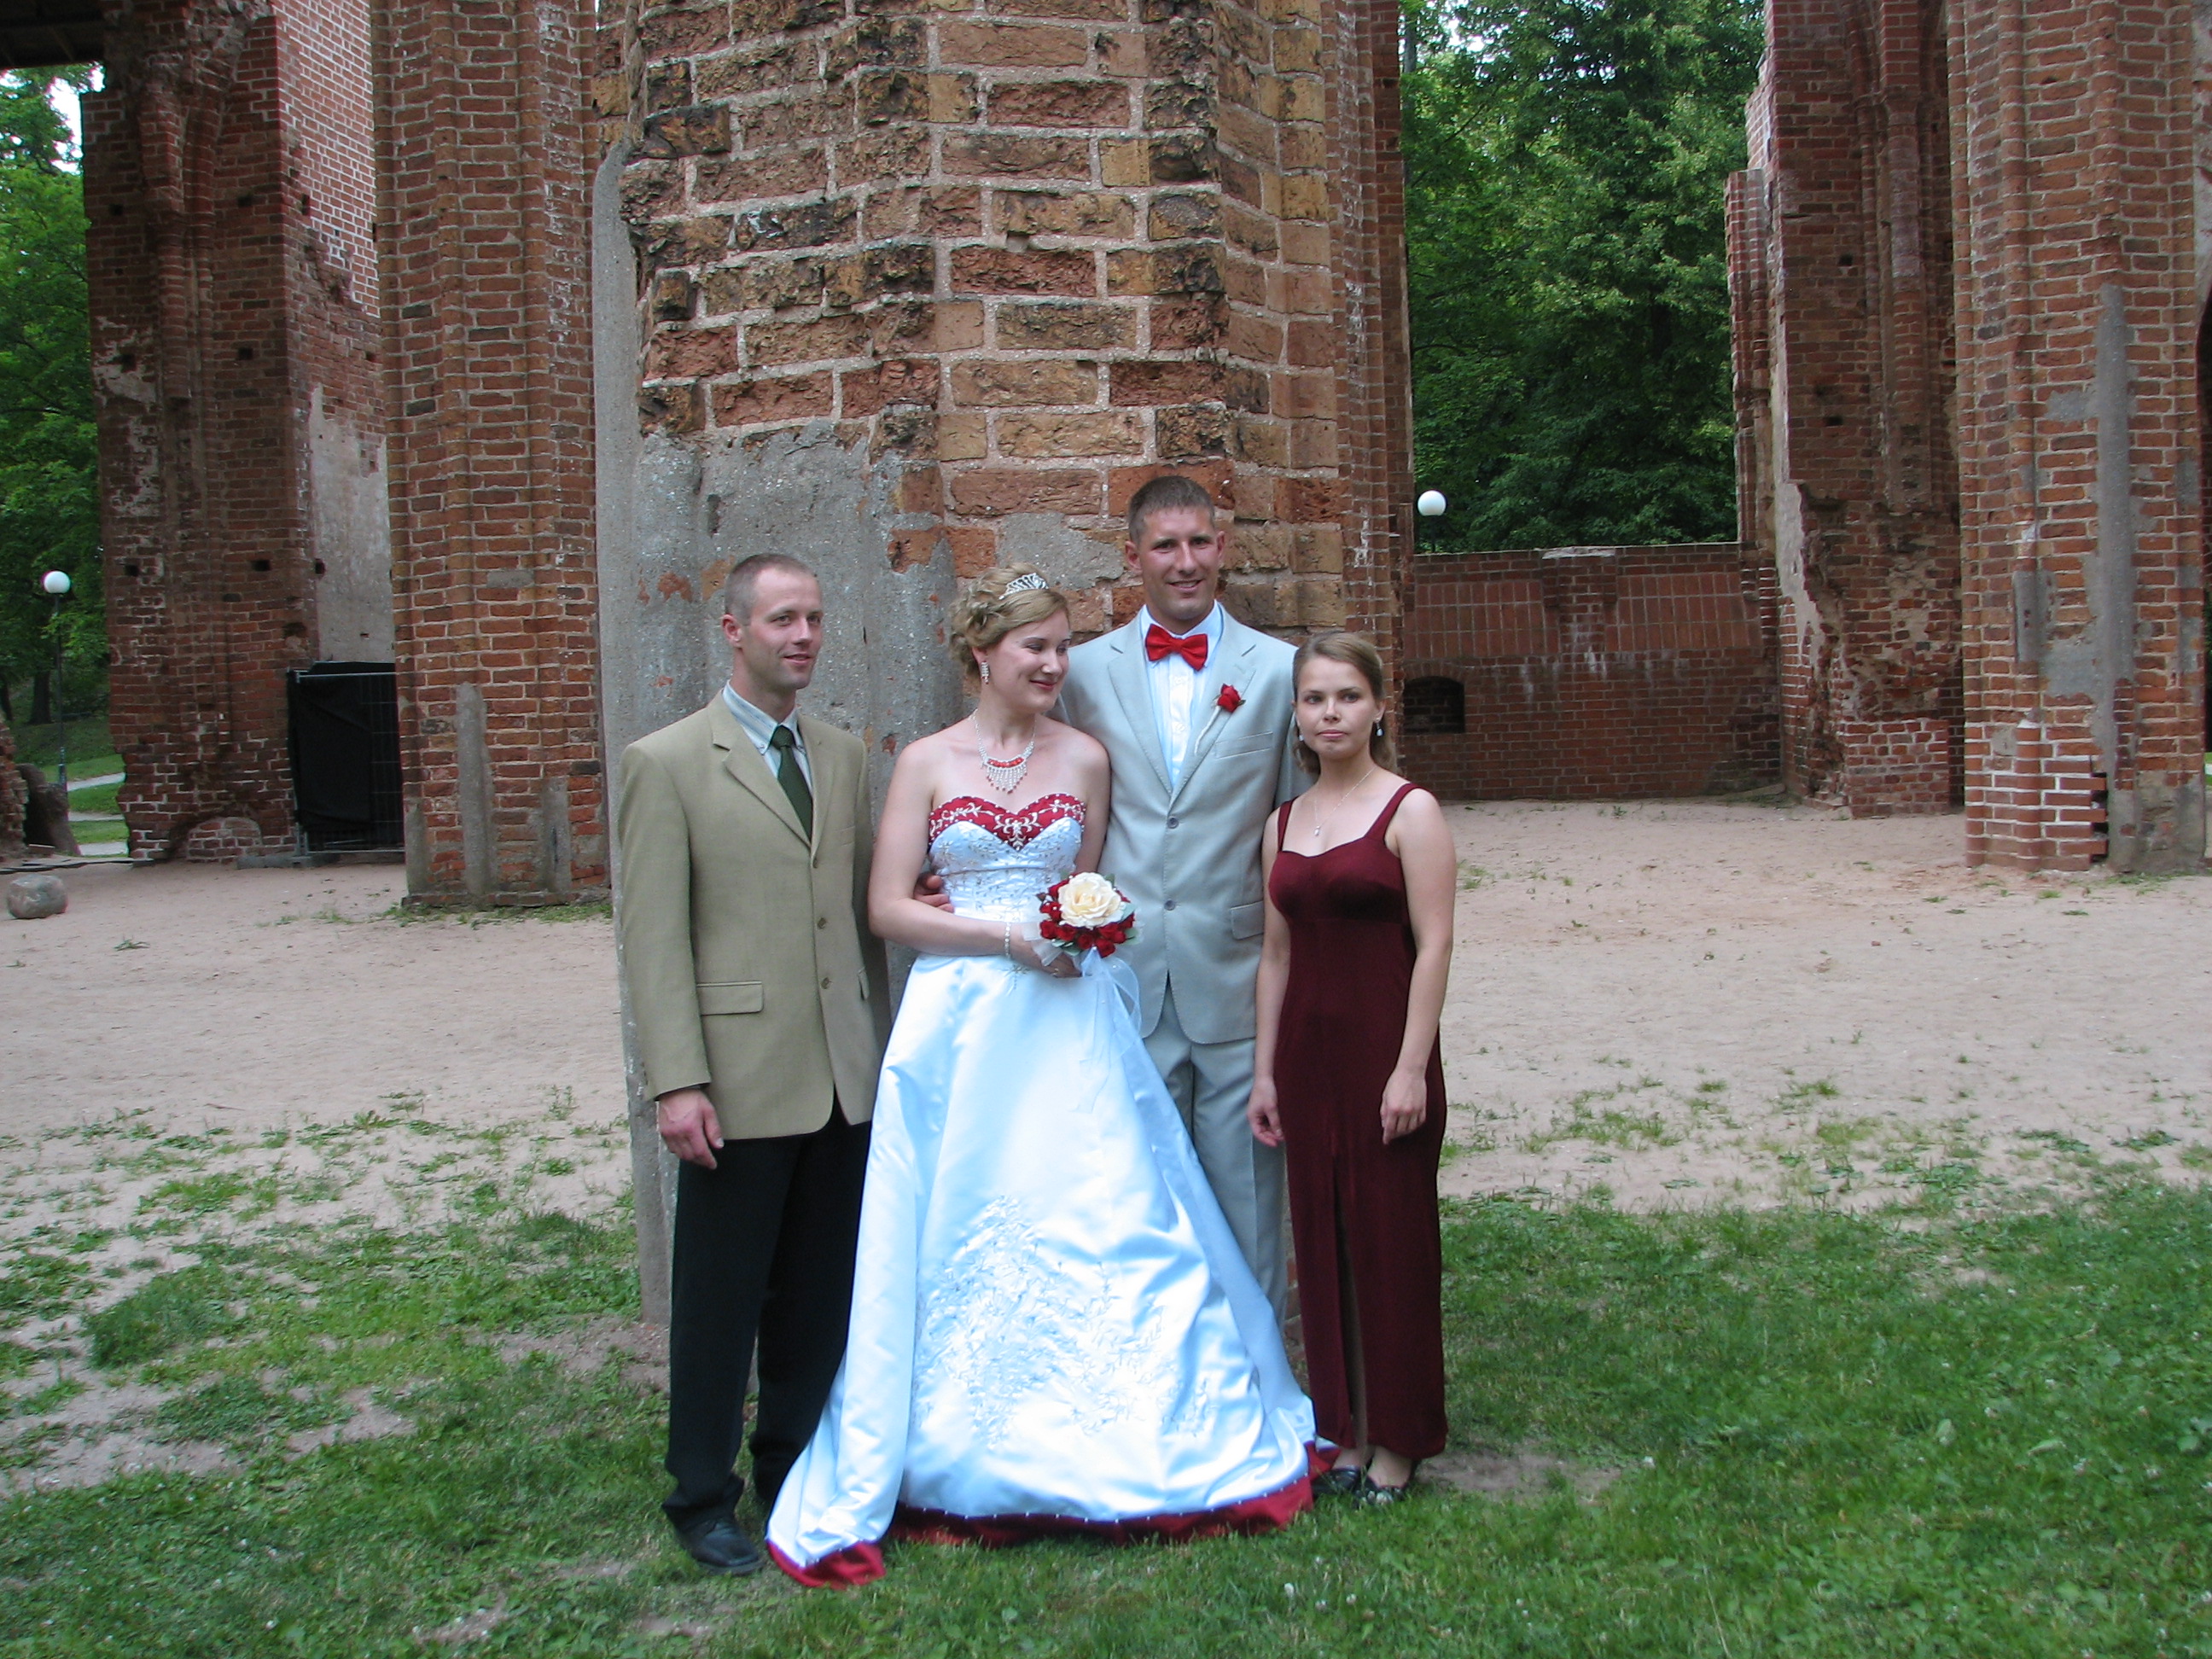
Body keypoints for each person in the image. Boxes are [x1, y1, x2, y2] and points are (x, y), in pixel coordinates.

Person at [767, 566, 1313, 1586]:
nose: (1056, 664)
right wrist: (1007, 937)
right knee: (963, 1209)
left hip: (1070, 1018)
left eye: (1063, 647)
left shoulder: (1087, 758)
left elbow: (1087, 888)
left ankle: (1135, 1424)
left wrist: (1078, 930)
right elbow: (888, 907)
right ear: (983, 654)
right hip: (962, 1023)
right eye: (1037, 648)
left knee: (1101, 1202)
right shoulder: (926, 763)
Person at [614, 553, 890, 1575]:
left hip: (842, 1077)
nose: (803, 635)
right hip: (734, 1078)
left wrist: (880, 1054)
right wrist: (676, 1080)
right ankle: (700, 1494)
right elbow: (653, 937)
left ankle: (794, 1471)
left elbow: (853, 919)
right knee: (720, 1301)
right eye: (781, 619)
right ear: (733, 630)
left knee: (818, 1297)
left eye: (813, 617)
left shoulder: (843, 755)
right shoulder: (668, 762)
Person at [1054, 474, 1307, 1315]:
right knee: (1140, 1202)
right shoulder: (1083, 674)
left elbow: (1298, 822)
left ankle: (1260, 1372)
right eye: (1165, 545)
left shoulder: (1279, 672)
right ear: (1133, 557)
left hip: (1235, 974)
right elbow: (1051, 802)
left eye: (1200, 542)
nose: (1186, 561)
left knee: (1250, 1205)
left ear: (1222, 547)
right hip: (1127, 978)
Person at [1248, 630, 1455, 1502]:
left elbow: (1435, 943)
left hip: (1384, 1049)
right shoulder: (1282, 824)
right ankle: (1343, 1428)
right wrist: (1265, 1073)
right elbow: (1275, 956)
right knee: (1322, 1238)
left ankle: (1400, 1439)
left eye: (1347, 697)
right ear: (1297, 716)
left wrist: (1410, 1068)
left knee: (1390, 1242)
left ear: (1378, 708)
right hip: (1306, 1056)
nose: (1330, 713)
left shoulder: (1411, 811)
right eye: (1314, 699)